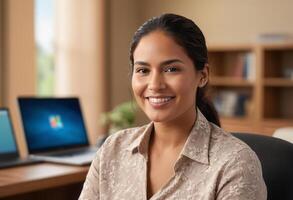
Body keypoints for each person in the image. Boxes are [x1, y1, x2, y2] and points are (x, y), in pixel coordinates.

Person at [79, 13, 267, 200]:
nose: (154, 85)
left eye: (171, 69)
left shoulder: (235, 163)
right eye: (143, 70)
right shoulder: (113, 149)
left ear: (203, 75)